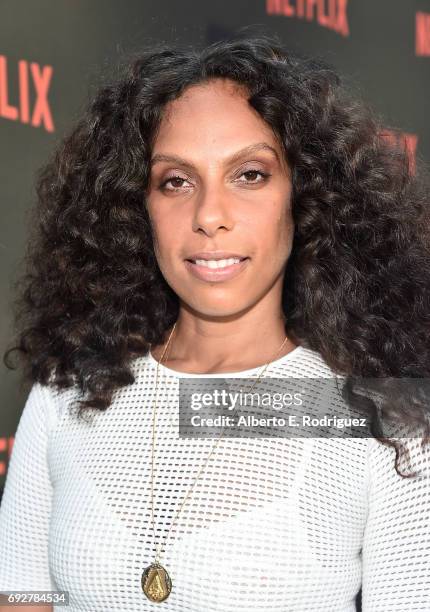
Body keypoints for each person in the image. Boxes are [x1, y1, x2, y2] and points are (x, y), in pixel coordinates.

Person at [1, 28, 430, 611]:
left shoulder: (384, 418)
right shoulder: (67, 391)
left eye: (249, 174)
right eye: (176, 181)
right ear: (138, 207)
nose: (209, 215)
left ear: (304, 196)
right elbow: (19, 597)